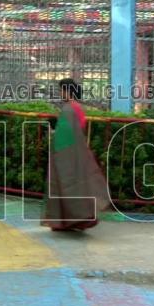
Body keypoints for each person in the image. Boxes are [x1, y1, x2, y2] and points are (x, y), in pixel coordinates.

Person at [41, 78, 111, 231]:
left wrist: (54, 132)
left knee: (65, 186)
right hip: (77, 153)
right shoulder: (77, 108)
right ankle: (77, 220)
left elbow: (65, 135)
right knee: (78, 187)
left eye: (61, 90)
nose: (60, 93)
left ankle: (67, 221)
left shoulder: (69, 109)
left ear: (67, 91)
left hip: (67, 155)